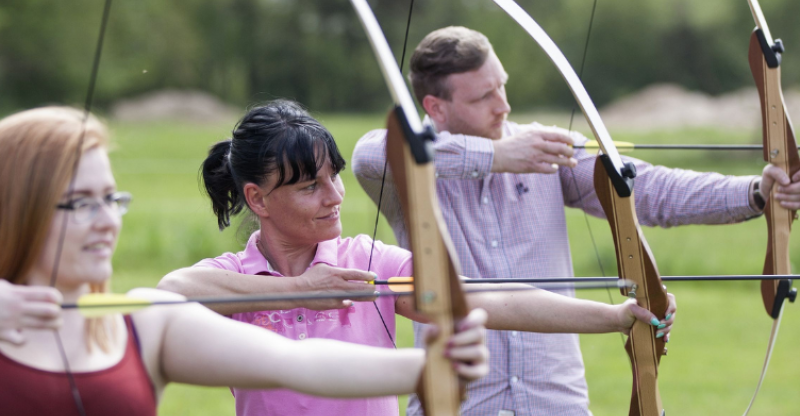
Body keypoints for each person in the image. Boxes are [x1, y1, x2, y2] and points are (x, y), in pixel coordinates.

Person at [351, 26, 800, 415]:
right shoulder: (407, 167)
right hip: (457, 400)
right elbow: (369, 151)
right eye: (484, 96)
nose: (504, 105)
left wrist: (756, 193)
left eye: (503, 85)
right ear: (436, 108)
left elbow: (649, 190)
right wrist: (494, 156)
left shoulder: (543, 150)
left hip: (555, 400)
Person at [157, 100, 675, 416]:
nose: (334, 196)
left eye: (333, 177)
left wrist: (612, 316)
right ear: (256, 199)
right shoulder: (232, 278)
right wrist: (299, 288)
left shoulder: (369, 262)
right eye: (310, 186)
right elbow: (170, 294)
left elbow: (486, 298)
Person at [0, 106, 489, 416]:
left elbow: (298, 364)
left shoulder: (142, 324)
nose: (109, 221)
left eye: (113, 199)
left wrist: (429, 367)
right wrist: (300, 290)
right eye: (83, 203)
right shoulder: (205, 287)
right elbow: (181, 286)